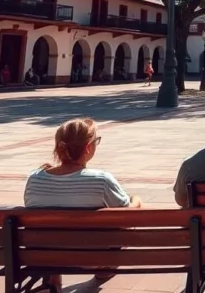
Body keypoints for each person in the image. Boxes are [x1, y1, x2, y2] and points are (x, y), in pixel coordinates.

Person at [24, 117, 141, 290]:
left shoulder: (35, 179)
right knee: (122, 225)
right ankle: (104, 269)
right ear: (87, 147)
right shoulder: (101, 180)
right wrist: (136, 200)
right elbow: (127, 214)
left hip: (44, 256)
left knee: (52, 228)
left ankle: (54, 277)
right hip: (93, 258)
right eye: (96, 141)